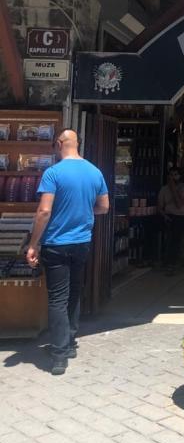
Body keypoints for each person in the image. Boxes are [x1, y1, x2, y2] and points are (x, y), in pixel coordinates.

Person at [25, 129, 109, 375]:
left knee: (57, 298)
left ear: (59, 143)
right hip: (82, 242)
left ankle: (59, 354)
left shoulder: (53, 173)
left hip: (56, 243)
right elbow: (104, 207)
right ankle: (70, 341)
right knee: (74, 292)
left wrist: (33, 244)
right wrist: (81, 210)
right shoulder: (95, 172)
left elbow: (44, 212)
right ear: (77, 144)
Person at [158, 167, 184, 275]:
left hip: (181, 216)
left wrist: (173, 189)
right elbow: (160, 206)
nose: (173, 177)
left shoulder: (183, 188)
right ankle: (167, 260)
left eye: (175, 174)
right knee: (169, 237)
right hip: (168, 216)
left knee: (175, 238)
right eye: (171, 175)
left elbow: (180, 204)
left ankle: (173, 262)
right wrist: (164, 215)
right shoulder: (164, 189)